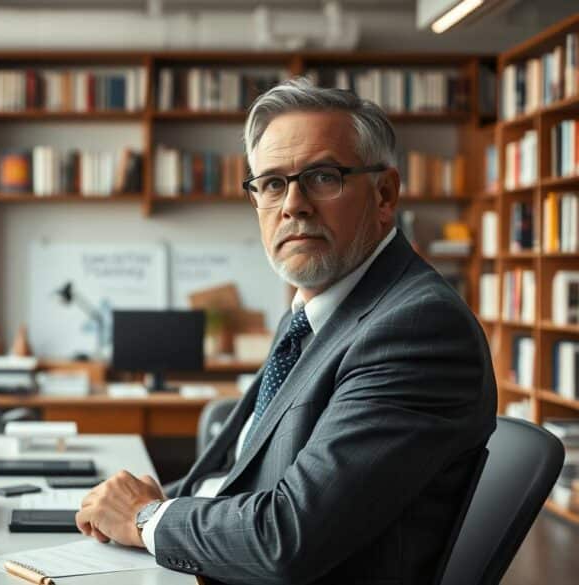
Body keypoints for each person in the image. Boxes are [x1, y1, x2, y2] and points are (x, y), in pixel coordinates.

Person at [74, 77, 497, 585]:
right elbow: (245, 479)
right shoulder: (313, 313)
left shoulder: (417, 329)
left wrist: (145, 519)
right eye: (272, 183)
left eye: (322, 177)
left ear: (385, 194)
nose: (293, 205)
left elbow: (287, 537)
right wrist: (132, 507)